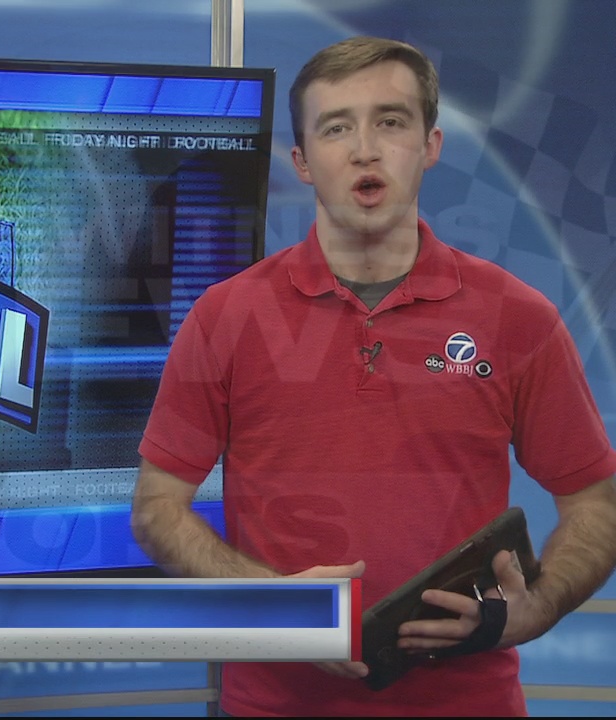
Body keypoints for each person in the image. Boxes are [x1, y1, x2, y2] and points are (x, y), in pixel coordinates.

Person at [131, 35, 616, 717]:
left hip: (469, 703)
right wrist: (278, 607)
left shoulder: (518, 316)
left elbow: (597, 504)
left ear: (430, 145)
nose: (365, 149)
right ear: (302, 162)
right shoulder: (226, 316)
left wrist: (537, 606)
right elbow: (157, 509)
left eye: (390, 121)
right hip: (276, 706)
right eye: (337, 128)